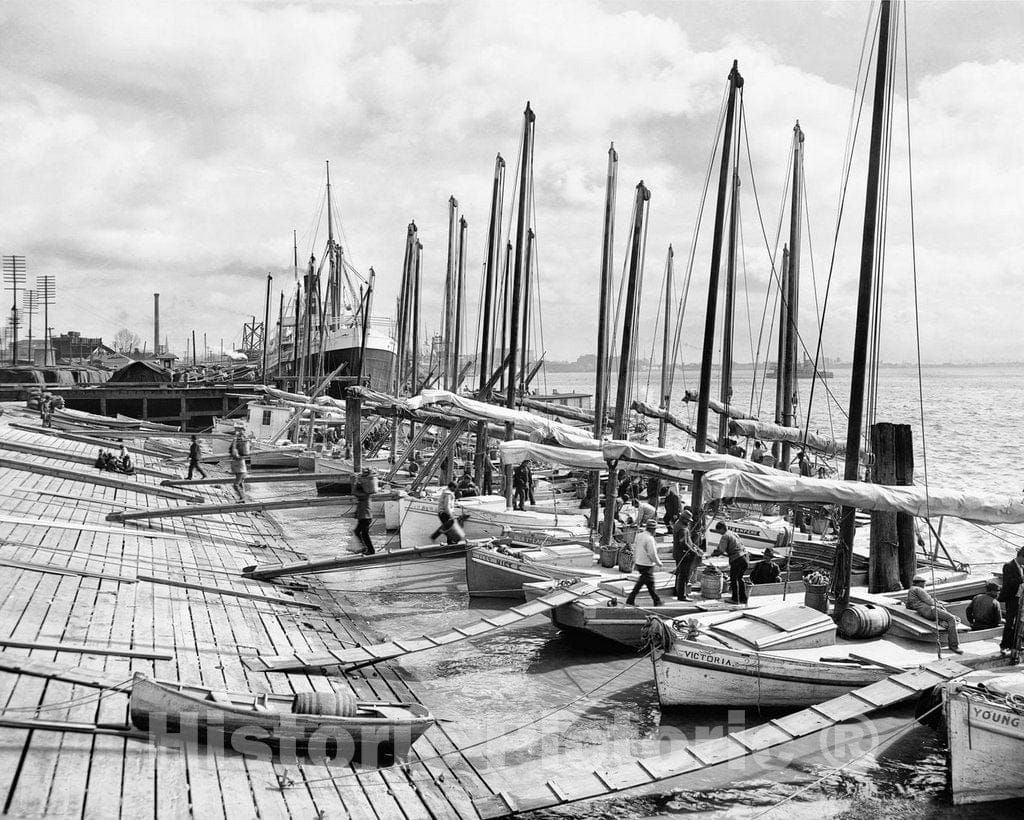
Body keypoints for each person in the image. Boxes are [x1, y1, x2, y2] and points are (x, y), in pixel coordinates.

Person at [907, 574, 962, 653]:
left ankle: (943, 623)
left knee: (946, 618)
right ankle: (954, 645)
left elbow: (908, 605)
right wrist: (939, 605)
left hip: (924, 613)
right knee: (951, 618)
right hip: (930, 611)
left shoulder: (911, 590)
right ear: (919, 583)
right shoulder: (918, 589)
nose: (924, 584)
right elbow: (930, 602)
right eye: (924, 582)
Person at [625, 520, 663, 607]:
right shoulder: (650, 539)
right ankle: (657, 602)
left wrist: (634, 560)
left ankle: (631, 600)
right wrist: (658, 563)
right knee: (649, 584)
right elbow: (652, 553)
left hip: (639, 562)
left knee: (644, 583)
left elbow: (635, 548)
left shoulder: (639, 536)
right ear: (653, 530)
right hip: (647, 564)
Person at [712, 521, 749, 604]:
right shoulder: (733, 533)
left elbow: (721, 550)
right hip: (745, 558)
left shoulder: (725, 536)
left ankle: (735, 599)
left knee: (734, 579)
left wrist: (713, 554)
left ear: (721, 529)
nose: (719, 533)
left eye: (718, 531)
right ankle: (743, 599)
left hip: (737, 559)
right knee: (740, 578)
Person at [998, 546, 1024, 656]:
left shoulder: (1022, 567)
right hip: (1011, 598)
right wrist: (1022, 579)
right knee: (1010, 623)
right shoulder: (1008, 566)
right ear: (1021, 557)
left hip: (1020, 598)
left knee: (1019, 623)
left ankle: (1015, 645)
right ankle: (1004, 646)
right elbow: (1008, 583)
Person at [671, 510, 701, 600]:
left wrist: (694, 546)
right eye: (688, 520)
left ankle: (677, 591)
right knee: (684, 575)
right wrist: (693, 552)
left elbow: (687, 541)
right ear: (684, 519)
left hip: (677, 553)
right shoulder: (682, 528)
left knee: (679, 573)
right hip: (683, 555)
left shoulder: (678, 524)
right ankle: (682, 595)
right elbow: (683, 543)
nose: (689, 522)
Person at [352, 467, 375, 554]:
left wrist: (355, 482)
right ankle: (365, 548)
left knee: (364, 534)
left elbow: (354, 492)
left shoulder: (364, 495)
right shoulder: (364, 495)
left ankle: (371, 550)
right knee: (357, 531)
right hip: (363, 516)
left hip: (366, 517)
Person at [229, 427, 249, 501]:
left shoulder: (237, 455)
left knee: (236, 485)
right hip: (241, 471)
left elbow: (234, 452)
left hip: (241, 471)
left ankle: (243, 497)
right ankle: (243, 498)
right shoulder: (239, 455)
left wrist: (234, 442)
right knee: (241, 484)